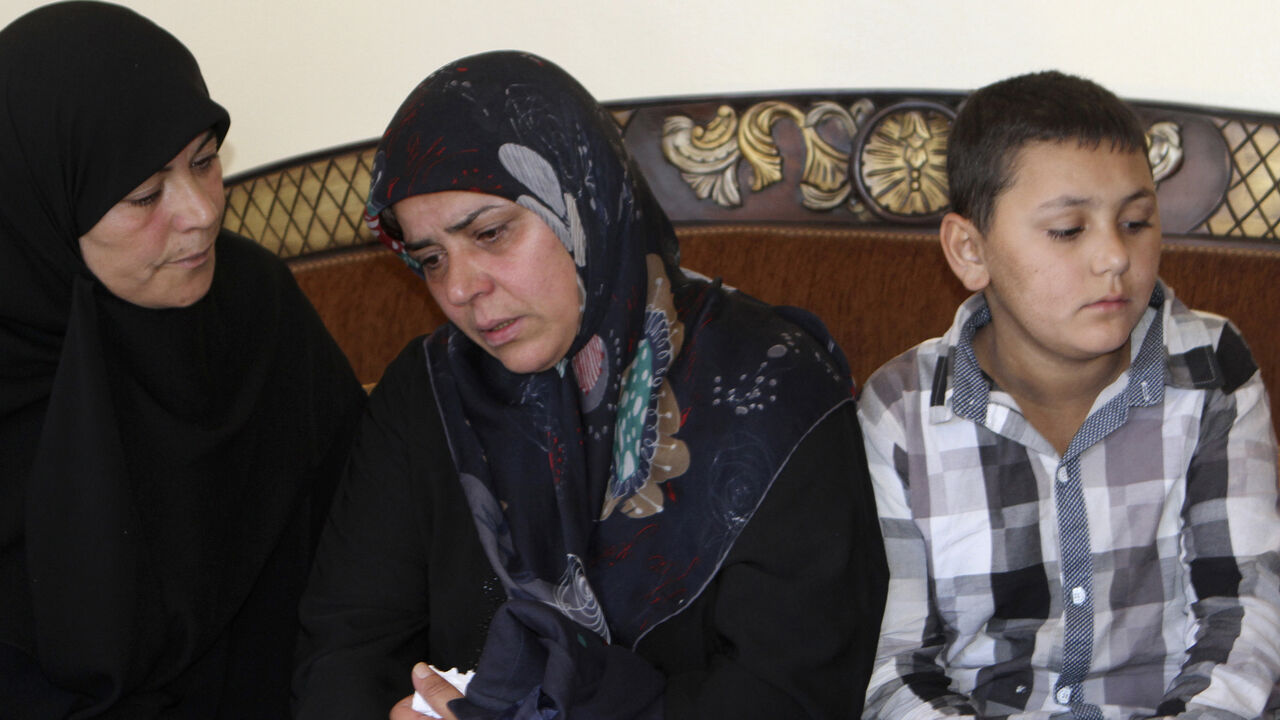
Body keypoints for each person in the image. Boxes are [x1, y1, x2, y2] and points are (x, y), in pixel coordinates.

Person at [293, 51, 888, 720]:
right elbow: (345, 643)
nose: (459, 289)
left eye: (490, 233)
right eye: (430, 259)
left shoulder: (771, 388)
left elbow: (791, 693)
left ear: (585, 203)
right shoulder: (429, 392)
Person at [858, 70, 1280, 719]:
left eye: (1136, 221)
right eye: (1068, 230)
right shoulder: (900, 409)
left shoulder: (1210, 368)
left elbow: (1244, 608)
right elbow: (898, 660)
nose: (1114, 255)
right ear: (970, 249)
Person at [0, 3, 365, 717]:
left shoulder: (253, 306)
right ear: (41, 207)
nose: (200, 211)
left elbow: (368, 547)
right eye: (144, 195)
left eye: (205, 161)